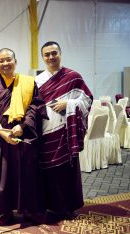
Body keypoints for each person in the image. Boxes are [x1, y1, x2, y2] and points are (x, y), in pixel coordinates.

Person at [0, 48, 48, 225]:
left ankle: (30, 211)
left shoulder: (28, 82)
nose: (5, 63)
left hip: (24, 134)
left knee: (27, 174)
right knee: (2, 176)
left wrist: (22, 125)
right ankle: (4, 212)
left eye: (8, 59)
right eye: (1, 61)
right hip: (1, 135)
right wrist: (3, 133)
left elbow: (35, 106)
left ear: (15, 61)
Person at [35, 41, 93, 221]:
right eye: (47, 54)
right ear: (43, 57)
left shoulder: (73, 76)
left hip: (66, 133)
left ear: (60, 53)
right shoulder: (37, 81)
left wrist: (69, 104)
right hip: (45, 132)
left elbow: (87, 100)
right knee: (47, 171)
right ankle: (50, 206)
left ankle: (69, 207)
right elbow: (34, 106)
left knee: (66, 170)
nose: (51, 57)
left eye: (54, 53)